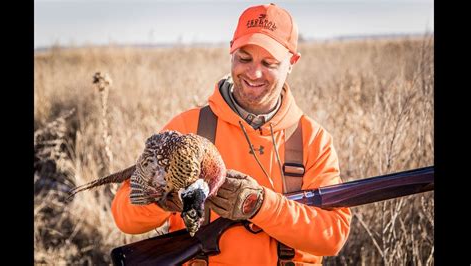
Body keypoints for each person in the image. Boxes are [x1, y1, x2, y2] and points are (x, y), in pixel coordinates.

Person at [111, 3, 351, 265]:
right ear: (231, 49)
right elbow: (124, 216)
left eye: (269, 62)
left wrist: (261, 206)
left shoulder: (313, 140)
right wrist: (165, 198)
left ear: (292, 62)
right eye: (244, 58)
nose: (254, 73)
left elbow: (333, 235)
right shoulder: (188, 127)